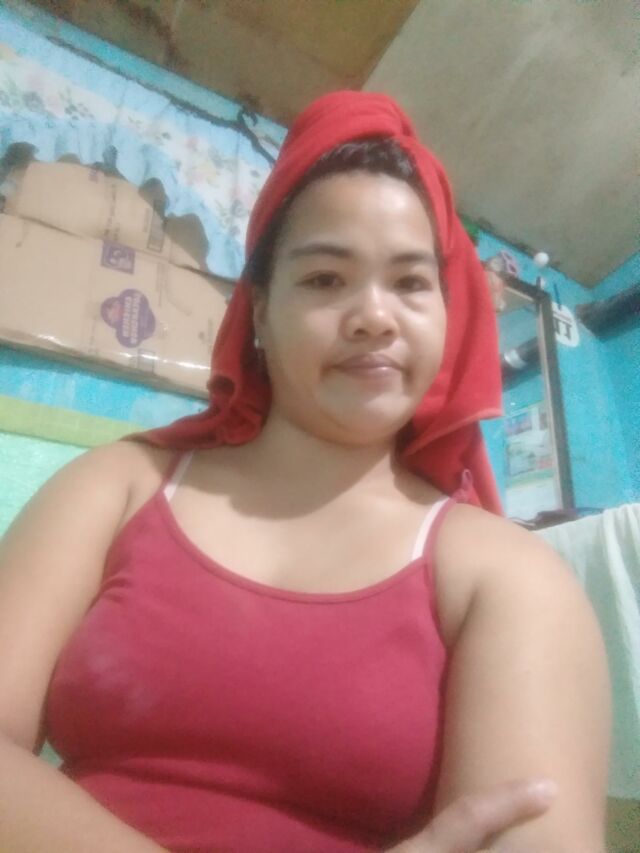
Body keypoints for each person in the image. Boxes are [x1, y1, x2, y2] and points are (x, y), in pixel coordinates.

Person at [0, 91, 610, 852]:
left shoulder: (506, 574)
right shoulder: (117, 487)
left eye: (411, 283)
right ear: (257, 311)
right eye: (325, 279)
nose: (374, 316)